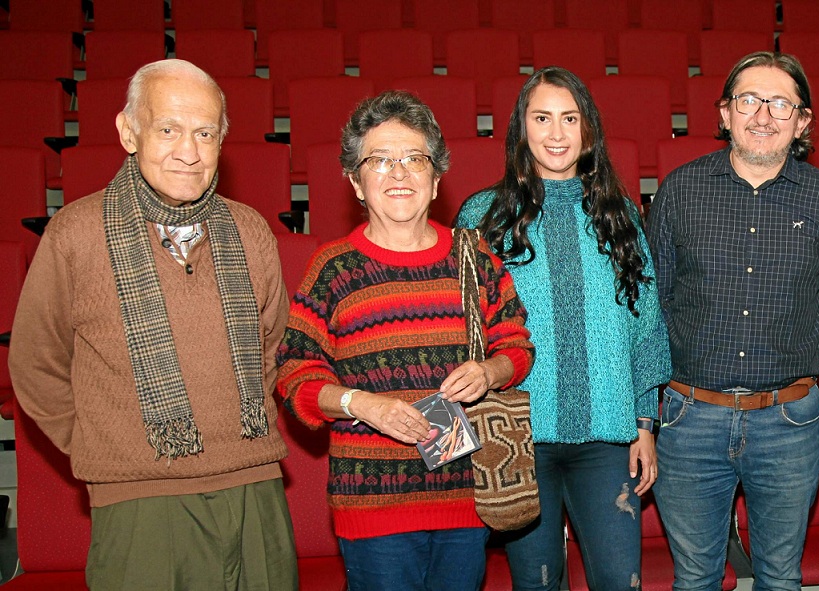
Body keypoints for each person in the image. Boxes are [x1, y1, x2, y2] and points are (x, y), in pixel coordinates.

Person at [7, 59, 298, 589]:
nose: (188, 150)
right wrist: (107, 442)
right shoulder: (75, 233)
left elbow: (271, 347)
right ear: (128, 131)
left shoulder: (251, 231)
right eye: (168, 129)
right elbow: (35, 363)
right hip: (139, 500)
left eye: (205, 133)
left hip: (253, 484)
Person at [276, 90, 534, 591]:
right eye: (379, 160)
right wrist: (360, 404)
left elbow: (517, 346)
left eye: (414, 160)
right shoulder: (333, 268)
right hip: (373, 507)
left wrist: (489, 372)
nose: (398, 173)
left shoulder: (474, 256)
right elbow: (294, 372)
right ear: (355, 182)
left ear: (436, 179)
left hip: (467, 497)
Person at [646, 51, 819, 590]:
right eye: (748, 100)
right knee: (695, 576)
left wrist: (790, 350)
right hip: (690, 418)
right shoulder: (680, 190)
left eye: (780, 103)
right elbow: (653, 300)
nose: (763, 115)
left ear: (802, 121)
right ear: (724, 114)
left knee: (781, 577)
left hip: (787, 422)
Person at [456, 66, 671, 591]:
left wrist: (646, 423)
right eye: (542, 118)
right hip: (517, 438)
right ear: (521, 129)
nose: (556, 133)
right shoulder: (481, 215)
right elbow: (464, 334)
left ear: (588, 129)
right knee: (537, 583)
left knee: (621, 581)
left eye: (570, 119)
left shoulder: (621, 213)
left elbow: (645, 328)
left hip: (607, 438)